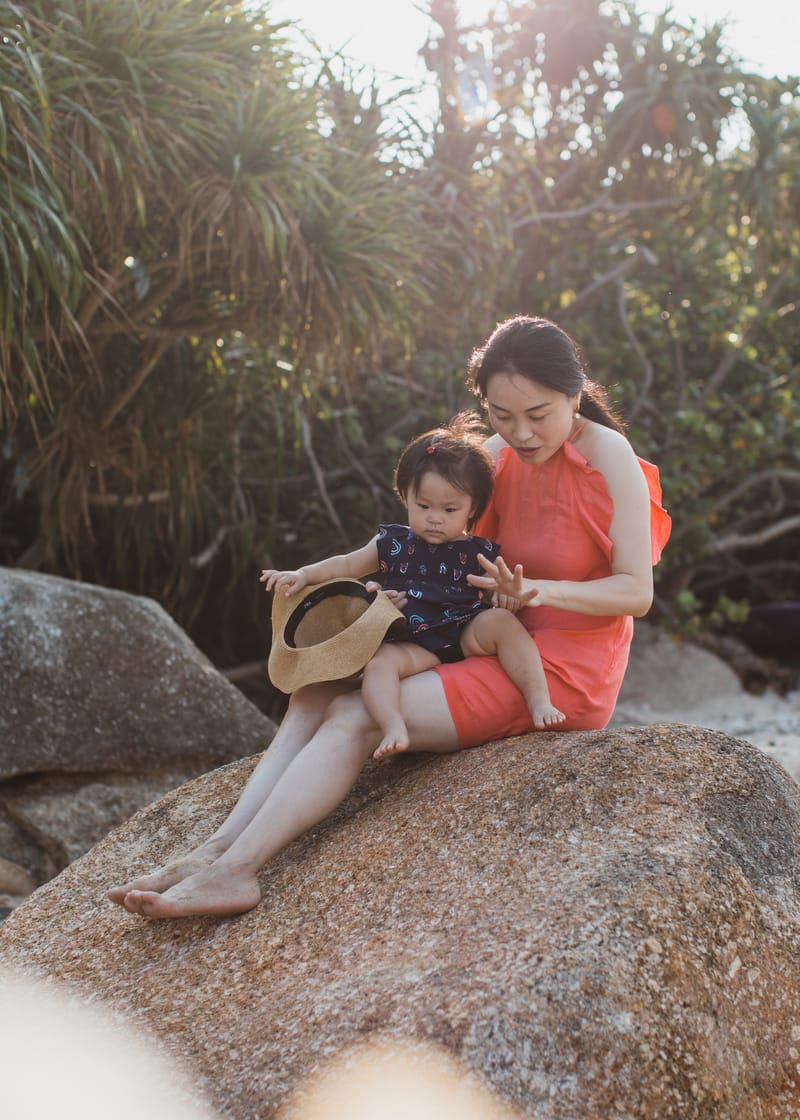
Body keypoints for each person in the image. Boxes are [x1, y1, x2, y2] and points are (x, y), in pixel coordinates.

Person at [107, 314, 670, 920]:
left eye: (539, 414)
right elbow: (450, 557)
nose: (522, 433)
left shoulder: (608, 457)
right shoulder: (494, 456)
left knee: (357, 714)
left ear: (576, 391)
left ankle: (238, 871)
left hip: (557, 668)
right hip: (477, 637)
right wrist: (399, 603)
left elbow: (635, 592)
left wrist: (534, 592)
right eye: (503, 415)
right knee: (321, 687)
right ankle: (215, 851)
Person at [261, 413, 565, 760]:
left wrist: (508, 596)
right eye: (424, 506)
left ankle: (539, 699)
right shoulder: (392, 543)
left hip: (464, 629)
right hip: (412, 639)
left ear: (473, 509)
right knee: (379, 666)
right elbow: (346, 564)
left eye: (450, 509)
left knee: (505, 625)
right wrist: (304, 574)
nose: (435, 517)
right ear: (404, 496)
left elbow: (497, 589)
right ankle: (392, 724)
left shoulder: (477, 551)